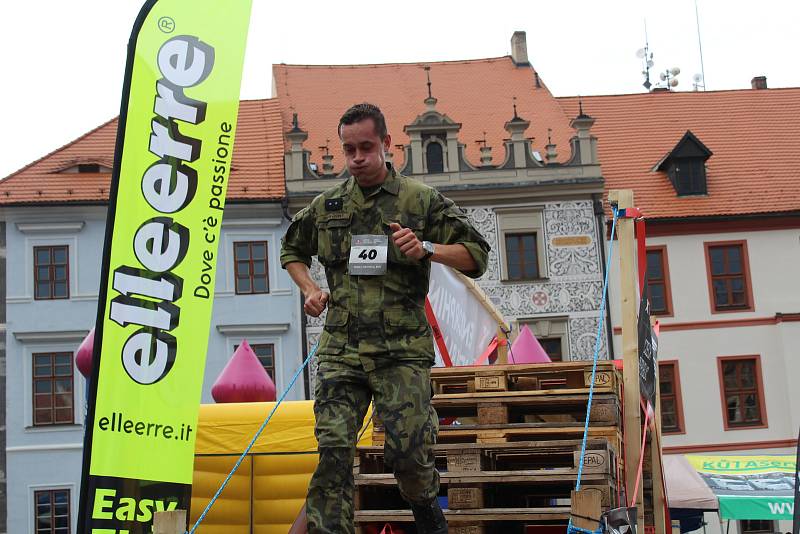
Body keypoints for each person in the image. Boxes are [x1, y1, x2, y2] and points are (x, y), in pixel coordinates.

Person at [281, 103, 490, 534]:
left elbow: (477, 255)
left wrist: (429, 248)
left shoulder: (421, 201)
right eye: (349, 149)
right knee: (334, 448)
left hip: (401, 352)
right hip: (342, 350)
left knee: (409, 455)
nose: (357, 157)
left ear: (386, 145)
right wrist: (311, 290)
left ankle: (427, 510)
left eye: (366, 147)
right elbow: (292, 250)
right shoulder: (328, 205)